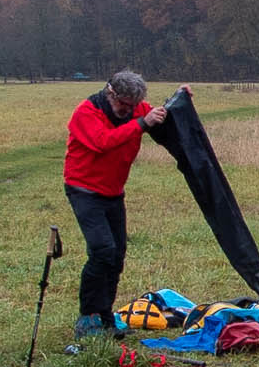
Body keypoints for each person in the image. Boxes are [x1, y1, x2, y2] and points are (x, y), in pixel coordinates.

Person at [62, 69, 190, 335]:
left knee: (117, 255)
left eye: (133, 106)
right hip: (84, 190)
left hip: (113, 192)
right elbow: (102, 142)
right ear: (111, 93)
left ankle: (106, 317)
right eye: (123, 104)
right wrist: (142, 122)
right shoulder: (86, 113)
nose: (127, 110)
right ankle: (87, 318)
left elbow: (159, 113)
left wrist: (180, 98)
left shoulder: (136, 110)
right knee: (101, 251)